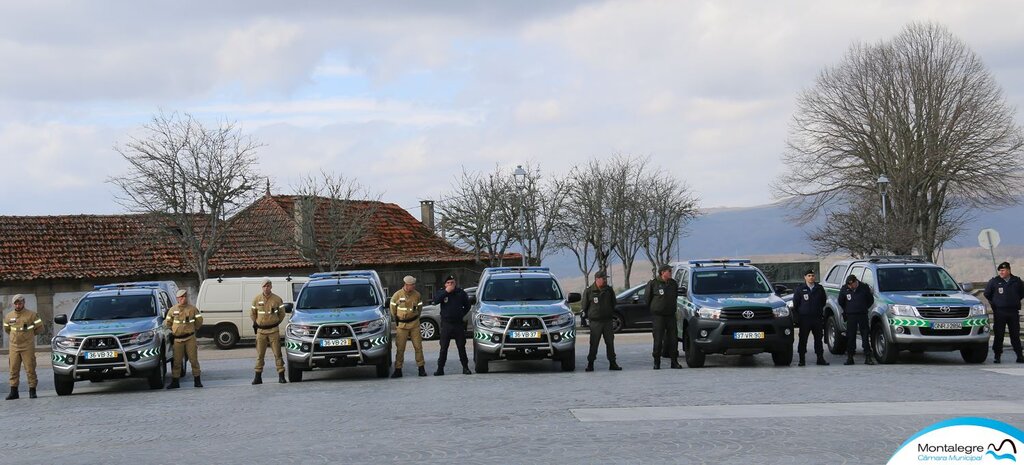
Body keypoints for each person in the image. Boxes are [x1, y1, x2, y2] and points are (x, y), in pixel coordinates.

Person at [4, 295, 44, 399]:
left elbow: (39, 328)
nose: (18, 305)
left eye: (20, 303)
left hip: (27, 346)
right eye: (16, 303)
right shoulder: (8, 316)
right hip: (14, 346)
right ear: (13, 304)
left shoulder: (32, 315)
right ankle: (14, 391)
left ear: (23, 302)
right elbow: (7, 329)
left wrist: (28, 336)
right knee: (13, 369)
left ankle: (32, 390)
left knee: (30, 368)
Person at [984, 262, 1024, 364]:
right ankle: (997, 356)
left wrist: (1013, 300)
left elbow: (1022, 293)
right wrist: (996, 304)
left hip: (1013, 312)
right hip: (1000, 312)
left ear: (1009, 270)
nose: (1001, 272)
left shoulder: (1017, 281)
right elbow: (987, 294)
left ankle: (1019, 356)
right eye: (1000, 271)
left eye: (1003, 270)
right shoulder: (995, 281)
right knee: (999, 335)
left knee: (1015, 334)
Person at [432, 275, 472, 376]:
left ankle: (465, 367)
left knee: (461, 347)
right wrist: (446, 292)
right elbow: (435, 301)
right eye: (448, 283)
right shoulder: (442, 292)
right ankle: (440, 369)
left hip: (458, 324)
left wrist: (461, 314)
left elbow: (467, 306)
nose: (450, 284)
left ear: (455, 283)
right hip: (446, 324)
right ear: (445, 284)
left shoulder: (460, 293)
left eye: (452, 283)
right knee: (443, 348)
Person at [165, 289, 204, 388]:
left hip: (190, 338)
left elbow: (199, 320)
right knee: (177, 362)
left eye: (185, 296)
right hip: (177, 340)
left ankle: (197, 381)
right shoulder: (172, 310)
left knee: (193, 360)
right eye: (181, 297)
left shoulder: (192, 309)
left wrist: (194, 328)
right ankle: (175, 382)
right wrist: (174, 330)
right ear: (178, 299)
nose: (184, 299)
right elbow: (167, 323)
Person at [583, 271, 621, 372]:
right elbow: (584, 306)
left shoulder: (609, 290)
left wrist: (608, 312)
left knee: (610, 343)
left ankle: (613, 363)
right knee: (594, 343)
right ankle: (590, 364)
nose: (605, 280)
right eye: (603, 278)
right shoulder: (589, 291)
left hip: (607, 321)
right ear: (597, 279)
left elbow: (614, 303)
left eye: (605, 278)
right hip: (595, 322)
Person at [251, 278, 287, 384]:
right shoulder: (256, 299)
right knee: (260, 355)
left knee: (277, 354)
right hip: (261, 331)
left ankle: (281, 376)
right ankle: (258, 377)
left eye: (268, 286)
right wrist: (256, 322)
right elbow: (252, 312)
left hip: (273, 331)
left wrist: (275, 322)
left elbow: (282, 313)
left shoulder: (277, 299)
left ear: (271, 286)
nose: (266, 288)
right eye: (264, 286)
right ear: (262, 287)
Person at [645, 265, 681, 369]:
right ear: (662, 272)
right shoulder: (653, 283)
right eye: (669, 271)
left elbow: (675, 296)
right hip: (658, 316)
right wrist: (656, 308)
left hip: (670, 316)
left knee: (673, 339)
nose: (670, 272)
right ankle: (657, 362)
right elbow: (647, 299)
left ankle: (674, 361)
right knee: (658, 339)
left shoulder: (673, 283)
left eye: (671, 271)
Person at [390, 276, 426, 378]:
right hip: (402, 325)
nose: (414, 286)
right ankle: (398, 369)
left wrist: (415, 318)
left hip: (414, 324)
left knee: (418, 347)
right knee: (400, 348)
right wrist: (398, 318)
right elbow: (393, 309)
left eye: (414, 284)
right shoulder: (397, 295)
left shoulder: (417, 295)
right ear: (406, 285)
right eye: (412, 285)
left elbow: (419, 308)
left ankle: (421, 368)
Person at [791, 270, 829, 366]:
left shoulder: (819, 288)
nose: (811, 277)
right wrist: (798, 318)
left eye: (812, 275)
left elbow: (823, 301)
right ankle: (802, 360)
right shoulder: (800, 289)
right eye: (809, 275)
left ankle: (820, 358)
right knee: (803, 339)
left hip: (817, 318)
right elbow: (796, 304)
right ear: (805, 277)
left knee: (818, 339)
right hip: (805, 319)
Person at [839, 275, 874, 366]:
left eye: (852, 285)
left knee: (865, 335)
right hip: (851, 315)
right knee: (850, 336)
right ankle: (850, 357)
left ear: (855, 282)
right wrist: (847, 310)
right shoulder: (844, 289)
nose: (850, 287)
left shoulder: (864, 287)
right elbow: (841, 301)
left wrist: (864, 308)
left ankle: (868, 356)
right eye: (849, 286)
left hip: (862, 314)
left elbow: (870, 300)